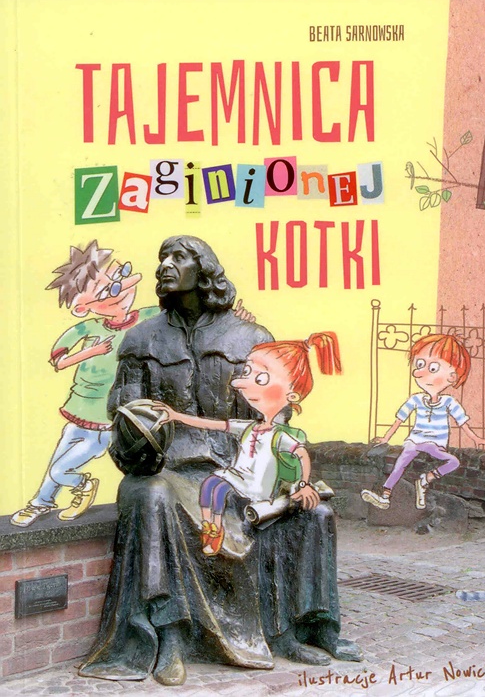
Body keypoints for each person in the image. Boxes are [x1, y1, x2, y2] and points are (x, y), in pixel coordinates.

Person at [79, 235, 361, 688]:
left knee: (315, 513)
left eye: (179, 257)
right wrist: (136, 443)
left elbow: (273, 417)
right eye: (163, 257)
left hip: (240, 467)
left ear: (205, 269)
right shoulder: (140, 339)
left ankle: (298, 631)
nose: (166, 265)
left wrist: (287, 477)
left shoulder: (251, 339)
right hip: (169, 469)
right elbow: (124, 411)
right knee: (150, 495)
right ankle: (168, 635)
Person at [10, 242, 158, 527]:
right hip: (77, 409)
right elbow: (59, 360)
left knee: (61, 469)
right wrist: (91, 352)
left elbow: (183, 315)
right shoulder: (88, 328)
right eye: (108, 291)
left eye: (122, 276)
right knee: (56, 461)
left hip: (104, 419)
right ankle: (40, 503)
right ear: (82, 308)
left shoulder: (146, 317)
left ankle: (84, 486)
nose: (122, 291)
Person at [153, 332, 341, 555]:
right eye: (247, 372)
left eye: (261, 379)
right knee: (210, 484)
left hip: (256, 485)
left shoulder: (279, 436)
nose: (240, 383)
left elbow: (301, 454)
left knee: (219, 490)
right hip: (237, 476)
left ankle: (215, 527)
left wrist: (303, 484)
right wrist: (176, 416)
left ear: (292, 396)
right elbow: (213, 425)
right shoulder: (249, 427)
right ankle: (211, 527)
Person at [361, 333, 485, 511]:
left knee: (453, 462)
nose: (419, 372)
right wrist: (386, 438)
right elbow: (399, 420)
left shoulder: (449, 402)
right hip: (415, 440)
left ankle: (425, 480)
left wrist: (477, 439)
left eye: (432, 368)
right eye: (419, 365)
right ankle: (385, 495)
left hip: (435, 444)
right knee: (401, 462)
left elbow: (462, 423)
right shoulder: (416, 400)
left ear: (452, 376)